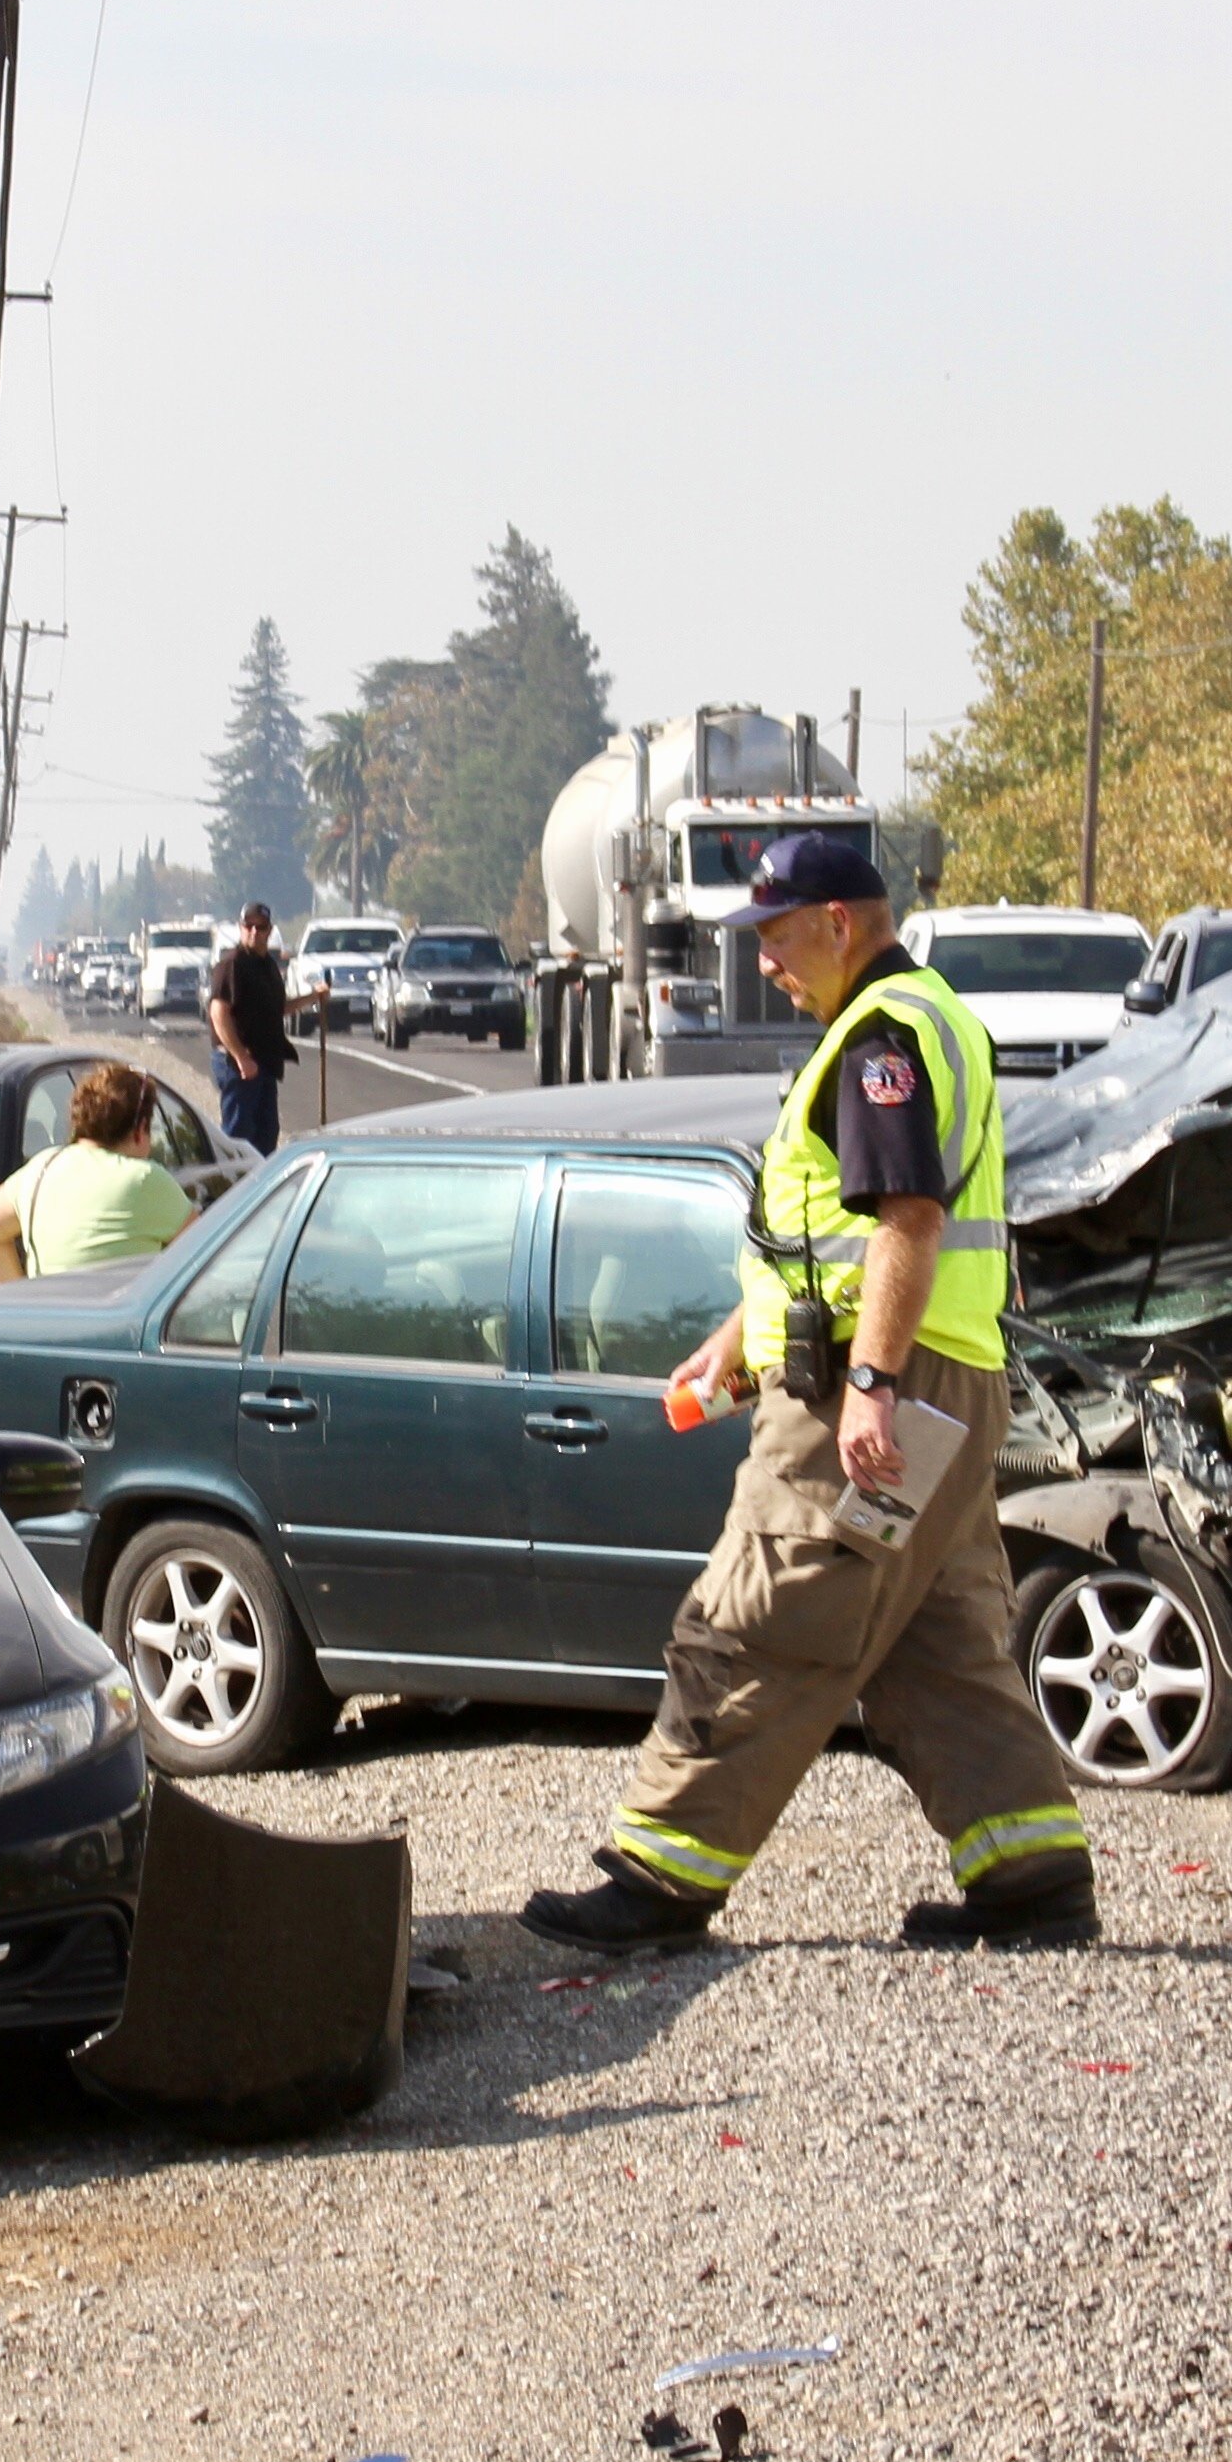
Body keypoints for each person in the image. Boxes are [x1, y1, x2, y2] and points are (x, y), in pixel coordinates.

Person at [522, 833, 1095, 1956]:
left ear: (841, 922)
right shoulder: (928, 1019)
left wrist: (870, 1386)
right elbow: (828, 1239)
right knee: (940, 1643)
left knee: (752, 1621)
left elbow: (906, 1223)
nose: (765, 961)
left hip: (873, 1395)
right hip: (944, 1387)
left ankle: (659, 1879)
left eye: (777, 936)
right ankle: (1033, 1881)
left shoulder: (881, 1039)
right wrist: (739, 1347)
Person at [0, 1061, 193, 1283]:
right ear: (140, 1129)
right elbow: (206, 1256)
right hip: (120, 1318)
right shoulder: (145, 1178)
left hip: (51, 1317)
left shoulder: (43, 1166)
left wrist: (21, 1298)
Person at [208, 904, 293, 1156]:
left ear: (270, 930)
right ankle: (236, 1188)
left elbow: (276, 1009)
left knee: (267, 1135)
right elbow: (218, 1013)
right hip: (238, 1064)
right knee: (239, 1136)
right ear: (240, 928)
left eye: (261, 926)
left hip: (264, 1061)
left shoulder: (267, 965)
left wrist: (314, 998)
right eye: (249, 926)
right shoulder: (232, 964)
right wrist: (241, 1057)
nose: (254, 931)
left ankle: (260, 1189)